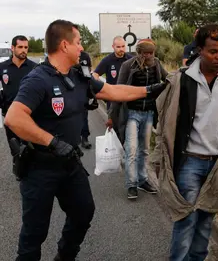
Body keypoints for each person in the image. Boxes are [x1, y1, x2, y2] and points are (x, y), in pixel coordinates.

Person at [4, 19, 166, 261]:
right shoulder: (39, 79)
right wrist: (52, 142)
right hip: (40, 168)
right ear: (64, 45)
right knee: (34, 234)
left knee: (83, 213)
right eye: (78, 42)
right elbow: (14, 118)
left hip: (70, 165)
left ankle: (65, 256)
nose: (81, 48)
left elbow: (112, 91)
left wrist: (151, 89)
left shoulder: (79, 76)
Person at [152, 24, 218, 261]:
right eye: (213, 52)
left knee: (206, 221)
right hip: (189, 162)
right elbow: (163, 125)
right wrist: (158, 158)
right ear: (199, 50)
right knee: (186, 220)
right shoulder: (180, 80)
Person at [108, 39, 168, 199]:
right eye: (145, 53)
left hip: (149, 113)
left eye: (151, 53)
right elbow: (117, 91)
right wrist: (111, 116)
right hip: (131, 113)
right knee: (132, 150)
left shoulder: (156, 64)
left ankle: (143, 180)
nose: (148, 56)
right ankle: (131, 184)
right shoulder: (128, 66)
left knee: (144, 150)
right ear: (139, 52)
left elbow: (168, 79)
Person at [0, 35, 36, 157]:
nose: (23, 50)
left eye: (26, 47)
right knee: (15, 150)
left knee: (31, 149)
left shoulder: (34, 68)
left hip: (31, 115)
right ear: (12, 48)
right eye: (20, 47)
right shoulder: (3, 67)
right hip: (10, 115)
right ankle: (19, 174)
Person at [92, 36, 132, 109]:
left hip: (129, 99)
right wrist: (99, 87)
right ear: (113, 47)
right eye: (118, 47)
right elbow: (95, 74)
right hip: (113, 100)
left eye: (123, 46)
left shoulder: (131, 60)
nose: (121, 49)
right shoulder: (107, 60)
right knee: (113, 120)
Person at [79, 51, 93, 149]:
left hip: (83, 89)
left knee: (84, 115)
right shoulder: (67, 55)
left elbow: (89, 71)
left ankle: (84, 138)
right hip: (68, 89)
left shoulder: (85, 55)